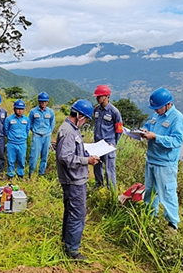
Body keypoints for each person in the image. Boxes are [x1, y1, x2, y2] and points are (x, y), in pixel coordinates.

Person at [56, 99, 100, 261]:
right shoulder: (68, 131)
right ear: (79, 115)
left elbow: (74, 151)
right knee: (77, 214)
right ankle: (73, 250)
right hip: (73, 180)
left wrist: (86, 155)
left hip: (74, 179)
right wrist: (86, 161)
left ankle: (67, 241)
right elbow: (65, 157)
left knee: (70, 211)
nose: (85, 122)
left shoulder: (72, 129)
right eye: (86, 119)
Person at [140, 87, 183, 232]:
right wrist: (144, 131)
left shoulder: (177, 119)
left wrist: (156, 137)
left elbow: (177, 141)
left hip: (165, 164)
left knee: (167, 194)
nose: (156, 111)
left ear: (168, 104)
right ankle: (150, 216)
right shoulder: (157, 116)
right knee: (149, 191)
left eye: (158, 108)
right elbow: (149, 125)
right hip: (152, 160)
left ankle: (172, 224)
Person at [92, 84, 123, 189]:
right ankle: (98, 185)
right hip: (97, 144)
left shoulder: (114, 112)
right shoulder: (96, 110)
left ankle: (111, 191)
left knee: (109, 169)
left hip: (108, 144)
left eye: (99, 96)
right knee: (97, 166)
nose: (97, 98)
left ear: (106, 96)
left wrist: (113, 143)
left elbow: (119, 129)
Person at [28, 91, 56, 177]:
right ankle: (31, 173)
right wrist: (35, 131)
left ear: (47, 102)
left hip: (47, 136)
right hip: (36, 136)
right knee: (34, 156)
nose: (43, 103)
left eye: (45, 101)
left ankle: (41, 174)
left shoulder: (50, 112)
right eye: (41, 101)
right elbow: (30, 123)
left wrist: (48, 132)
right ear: (38, 101)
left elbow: (52, 124)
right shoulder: (33, 111)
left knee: (45, 156)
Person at [4, 99, 30, 181]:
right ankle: (11, 175)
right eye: (18, 109)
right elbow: (6, 130)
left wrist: (23, 137)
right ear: (14, 109)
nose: (20, 111)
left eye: (21, 109)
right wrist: (11, 137)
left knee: (21, 160)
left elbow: (27, 130)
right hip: (11, 143)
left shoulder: (26, 119)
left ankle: (20, 175)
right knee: (11, 160)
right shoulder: (9, 119)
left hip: (22, 143)